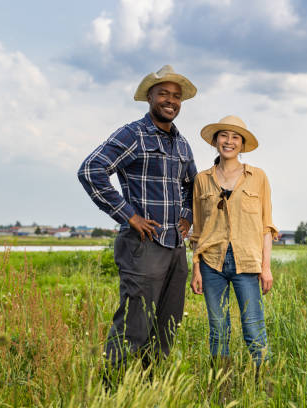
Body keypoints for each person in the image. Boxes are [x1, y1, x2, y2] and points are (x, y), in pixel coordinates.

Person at [78, 65, 197, 370]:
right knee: (134, 327)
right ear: (150, 97)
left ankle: (150, 391)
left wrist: (186, 216)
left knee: (166, 328)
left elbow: (193, 187)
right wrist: (129, 216)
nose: (170, 100)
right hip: (143, 246)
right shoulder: (133, 134)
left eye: (176, 96)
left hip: (175, 248)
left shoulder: (182, 143)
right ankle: (110, 388)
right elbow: (92, 170)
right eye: (163, 94)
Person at [189, 115, 278, 373]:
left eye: (235, 137)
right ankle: (221, 387)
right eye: (224, 136)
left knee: (253, 328)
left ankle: (266, 387)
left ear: (242, 143)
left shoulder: (258, 177)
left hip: (247, 263)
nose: (229, 141)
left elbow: (265, 226)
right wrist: (195, 268)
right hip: (211, 264)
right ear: (216, 141)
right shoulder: (202, 179)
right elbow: (197, 229)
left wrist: (266, 267)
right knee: (218, 330)